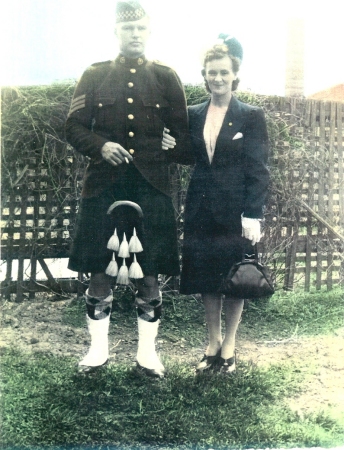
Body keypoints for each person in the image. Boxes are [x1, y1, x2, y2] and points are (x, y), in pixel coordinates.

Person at [65, 1, 192, 377]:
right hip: (102, 187)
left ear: (148, 32)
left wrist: (174, 145)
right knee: (98, 273)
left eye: (140, 29)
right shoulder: (94, 75)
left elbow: (184, 138)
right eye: (127, 29)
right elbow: (72, 127)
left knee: (149, 273)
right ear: (116, 33)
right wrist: (100, 146)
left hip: (152, 187)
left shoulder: (166, 78)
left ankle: (147, 356)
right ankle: (97, 353)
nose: (134, 35)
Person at [163, 35, 270, 374]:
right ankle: (212, 342)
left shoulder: (251, 116)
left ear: (234, 74)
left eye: (224, 72)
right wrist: (170, 145)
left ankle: (230, 346)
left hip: (235, 211)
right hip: (200, 208)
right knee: (206, 277)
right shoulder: (194, 114)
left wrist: (252, 213)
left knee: (234, 277)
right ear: (204, 75)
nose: (218, 78)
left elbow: (258, 168)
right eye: (212, 72)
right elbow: (190, 156)